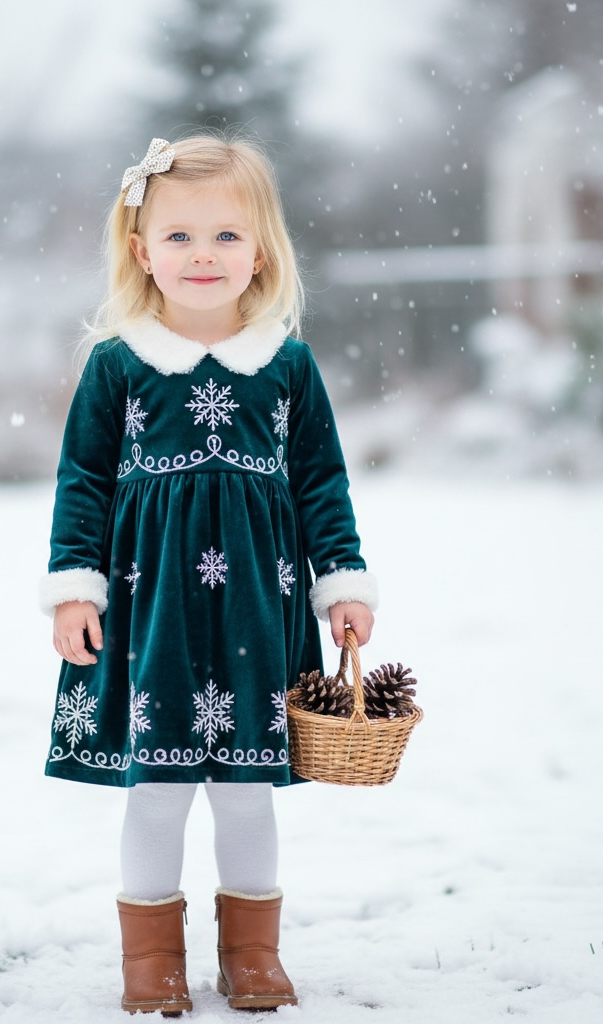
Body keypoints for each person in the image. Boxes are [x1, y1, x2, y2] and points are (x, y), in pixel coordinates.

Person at [39, 133, 377, 1015]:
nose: (202, 255)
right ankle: (149, 961)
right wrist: (76, 585)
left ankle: (251, 956)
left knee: (244, 789)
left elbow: (320, 483)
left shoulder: (287, 365)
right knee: (156, 788)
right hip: (154, 613)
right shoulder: (119, 364)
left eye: (227, 236)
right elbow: (82, 481)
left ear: (261, 251)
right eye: (180, 236)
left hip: (259, 613)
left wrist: (341, 584)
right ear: (142, 251)